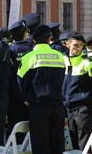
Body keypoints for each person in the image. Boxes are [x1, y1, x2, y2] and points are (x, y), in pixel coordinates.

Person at [17, 25, 66, 154]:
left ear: (33, 40)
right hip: (57, 106)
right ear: (50, 38)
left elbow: (21, 83)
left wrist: (27, 99)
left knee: (40, 146)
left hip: (38, 107)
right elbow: (63, 80)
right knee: (57, 145)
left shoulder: (29, 57)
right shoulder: (60, 56)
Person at [62, 32, 92, 150]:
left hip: (84, 107)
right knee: (73, 140)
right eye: (75, 45)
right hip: (69, 107)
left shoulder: (89, 61)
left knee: (85, 143)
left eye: (80, 45)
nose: (78, 48)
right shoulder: (62, 60)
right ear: (68, 45)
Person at [7, 21, 31, 140]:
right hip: (32, 97)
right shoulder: (32, 49)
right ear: (25, 34)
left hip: (15, 98)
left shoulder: (10, 50)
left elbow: (10, 76)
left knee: (16, 134)